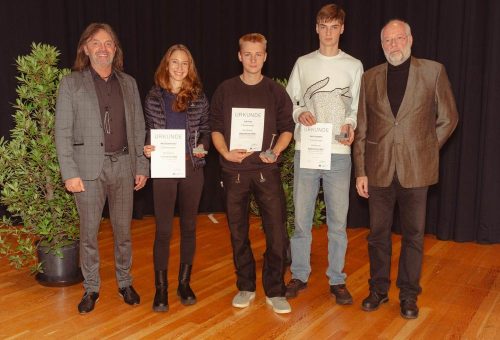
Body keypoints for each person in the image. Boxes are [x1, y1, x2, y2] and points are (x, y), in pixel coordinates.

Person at [353, 19, 458, 319]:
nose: (393, 45)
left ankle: (409, 295)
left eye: (399, 39)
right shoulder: (369, 78)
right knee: (377, 235)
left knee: (413, 235)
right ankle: (378, 290)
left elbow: (449, 118)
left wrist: (425, 150)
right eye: (387, 40)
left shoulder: (433, 71)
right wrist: (361, 170)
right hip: (378, 171)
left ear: (410, 39)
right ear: (381, 44)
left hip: (417, 171)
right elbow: (362, 127)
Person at [55, 23, 149, 314]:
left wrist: (141, 165)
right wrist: (69, 172)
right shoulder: (71, 83)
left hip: (123, 165)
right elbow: (62, 131)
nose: (103, 48)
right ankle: (91, 287)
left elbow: (138, 128)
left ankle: (125, 282)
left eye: (109, 43)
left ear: (115, 49)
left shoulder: (129, 83)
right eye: (96, 43)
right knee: (89, 234)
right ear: (86, 48)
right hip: (86, 170)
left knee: (123, 233)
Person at [210, 33, 295, 314]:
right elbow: (216, 128)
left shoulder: (275, 92)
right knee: (238, 233)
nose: (253, 59)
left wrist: (276, 151)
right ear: (239, 56)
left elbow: (287, 128)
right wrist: (224, 153)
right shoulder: (225, 89)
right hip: (234, 171)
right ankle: (246, 286)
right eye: (248, 54)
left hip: (266, 171)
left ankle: (275, 289)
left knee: (276, 233)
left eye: (258, 54)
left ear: (266, 57)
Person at [285, 3, 363, 305]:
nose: (328, 32)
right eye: (323, 26)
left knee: (338, 223)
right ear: (316, 28)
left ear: (342, 29)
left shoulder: (354, 66)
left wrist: (351, 123)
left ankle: (337, 279)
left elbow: (356, 108)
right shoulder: (303, 64)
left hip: (339, 153)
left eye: (334, 26)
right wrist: (300, 112)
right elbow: (291, 100)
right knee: (302, 219)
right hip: (308, 151)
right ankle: (300, 274)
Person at [143, 44, 210, 312]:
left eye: (185, 63)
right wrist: (147, 147)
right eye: (175, 62)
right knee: (163, 231)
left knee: (190, 227)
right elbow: (148, 131)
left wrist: (203, 146)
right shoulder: (153, 97)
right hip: (164, 170)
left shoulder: (199, 96)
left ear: (189, 67)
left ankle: (184, 283)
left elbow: (205, 130)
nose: (180, 67)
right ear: (166, 65)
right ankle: (161, 289)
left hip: (192, 169)